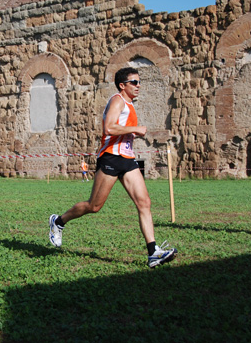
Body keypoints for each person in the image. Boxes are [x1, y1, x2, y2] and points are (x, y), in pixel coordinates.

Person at [49, 67, 177, 268]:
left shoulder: (130, 105)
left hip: (127, 158)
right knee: (94, 206)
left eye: (138, 81)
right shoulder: (118, 100)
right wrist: (135, 129)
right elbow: (108, 127)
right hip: (110, 157)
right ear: (122, 85)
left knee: (144, 202)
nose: (138, 85)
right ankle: (58, 222)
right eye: (134, 82)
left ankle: (153, 252)